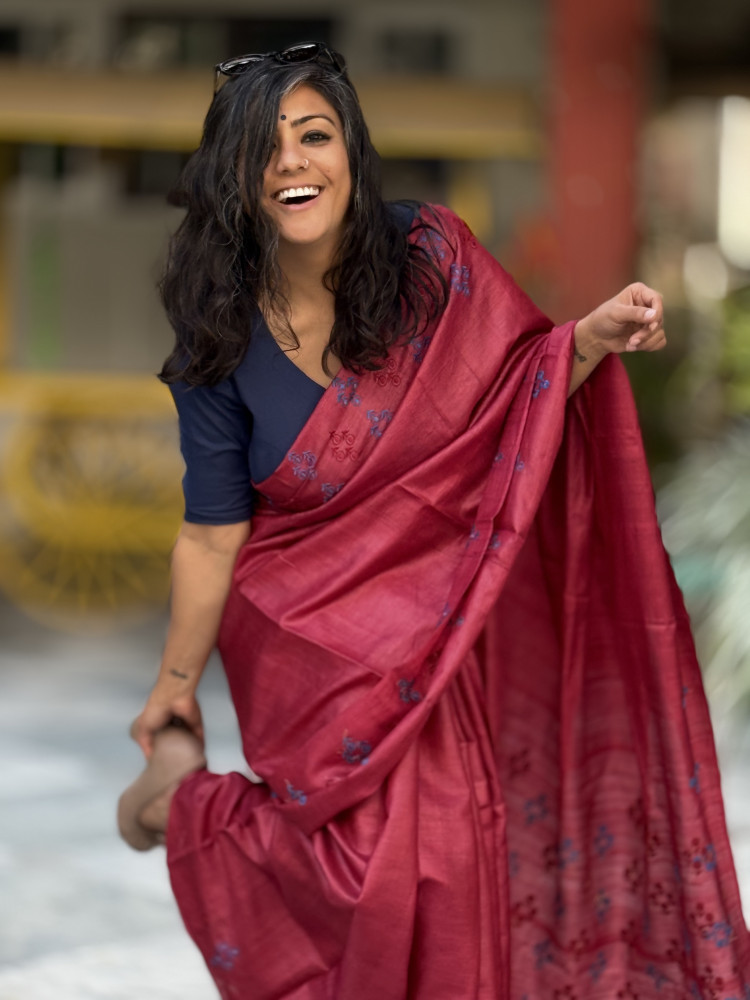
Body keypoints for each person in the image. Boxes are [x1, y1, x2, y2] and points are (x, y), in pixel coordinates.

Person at [118, 42, 750, 1000]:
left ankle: (178, 808)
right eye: (262, 148)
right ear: (232, 181)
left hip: (438, 645)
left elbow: (517, 394)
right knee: (346, 876)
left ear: (351, 151)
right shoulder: (216, 335)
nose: (292, 163)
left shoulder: (432, 263)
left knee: (443, 862)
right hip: (309, 662)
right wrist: (174, 688)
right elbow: (213, 532)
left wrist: (590, 335)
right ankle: (189, 806)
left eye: (314, 135)